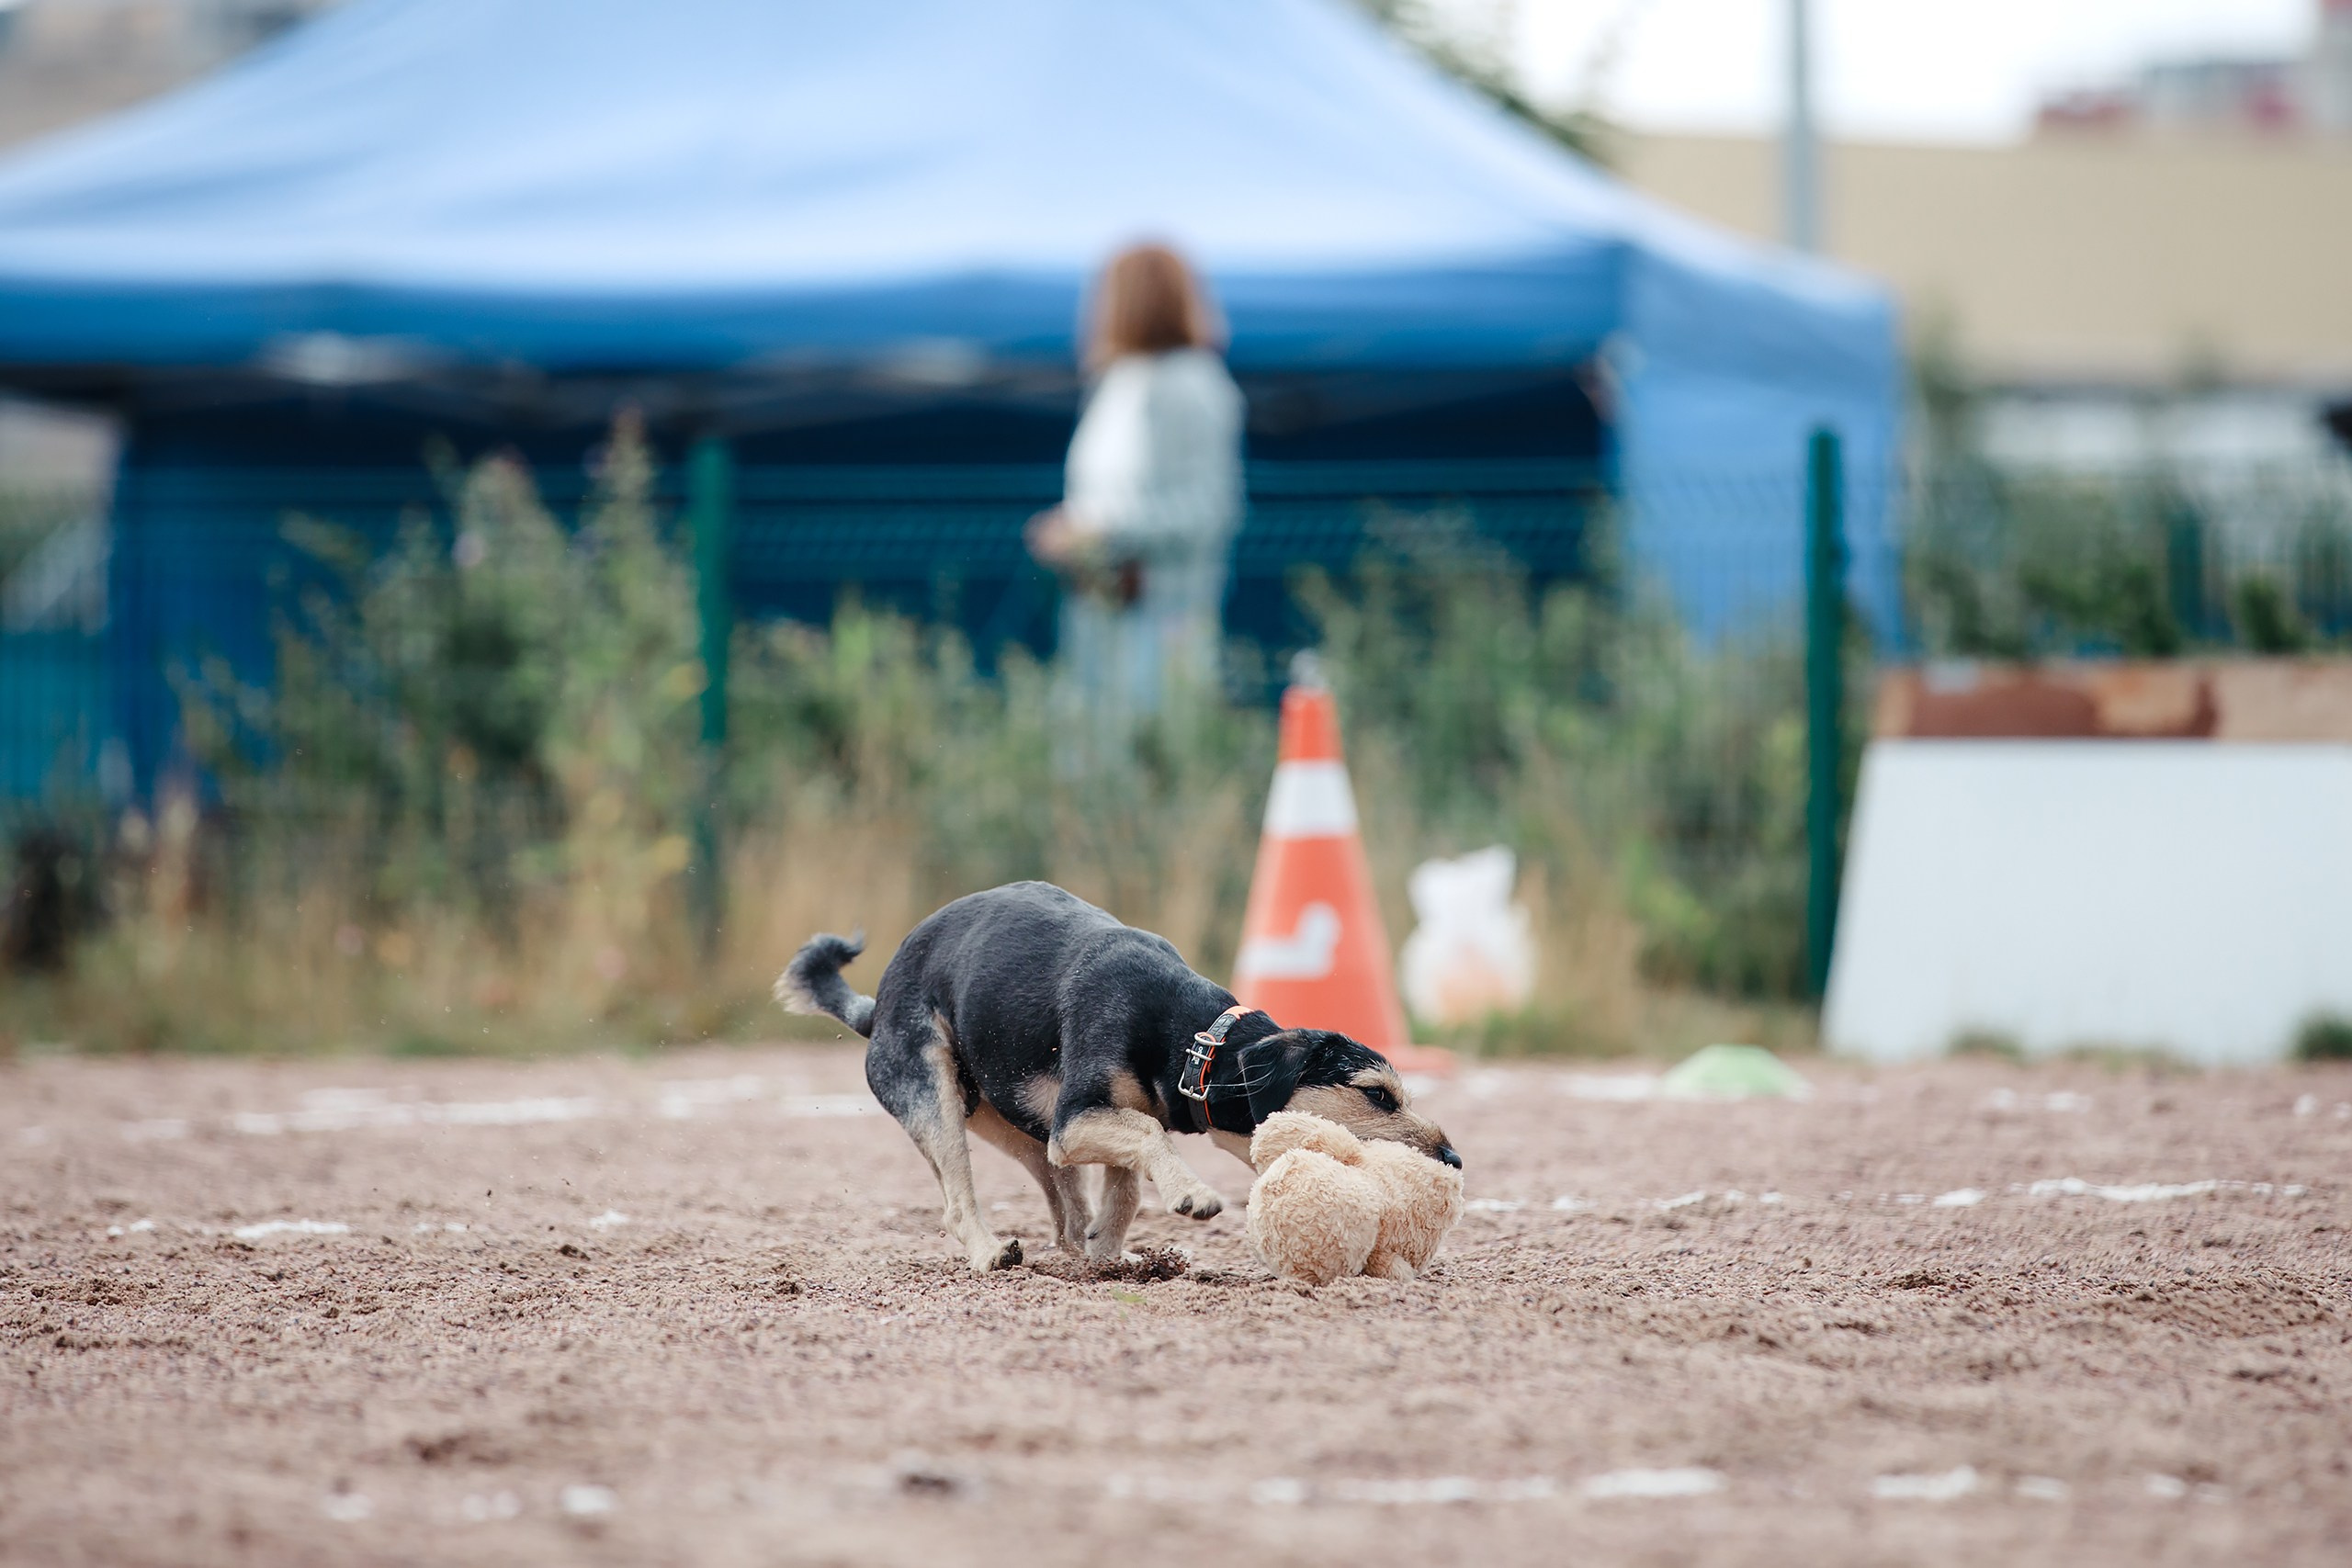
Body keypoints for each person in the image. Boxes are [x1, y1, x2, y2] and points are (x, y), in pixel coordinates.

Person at [1027, 243, 1244, 748]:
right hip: (1100, 610)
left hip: (1166, 612)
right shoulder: (1115, 383)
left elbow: (1210, 506)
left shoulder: (1193, 385)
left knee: (1157, 750)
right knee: (1094, 752)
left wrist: (1104, 528)